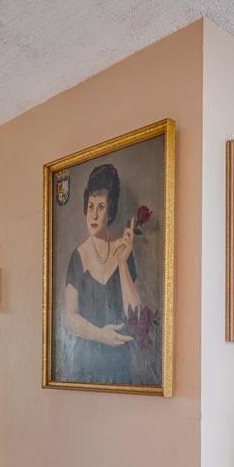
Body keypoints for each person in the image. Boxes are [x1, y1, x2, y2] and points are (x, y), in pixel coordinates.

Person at [62, 164, 142, 383]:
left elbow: (135, 316)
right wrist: (101, 335)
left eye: (101, 207)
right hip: (84, 367)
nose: (94, 214)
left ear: (110, 212)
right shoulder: (77, 257)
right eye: (90, 206)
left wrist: (122, 263)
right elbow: (70, 318)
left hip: (121, 366)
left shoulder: (123, 250)